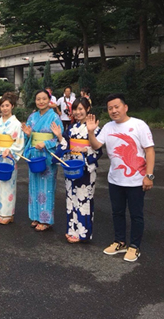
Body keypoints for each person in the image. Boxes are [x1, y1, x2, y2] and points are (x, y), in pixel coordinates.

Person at [86, 93, 155, 262]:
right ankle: (120, 242)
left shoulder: (139, 125)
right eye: (110, 108)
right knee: (117, 212)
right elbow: (96, 145)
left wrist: (149, 175)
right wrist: (90, 132)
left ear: (125, 107)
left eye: (117, 107)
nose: (114, 110)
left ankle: (134, 246)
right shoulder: (108, 127)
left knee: (136, 214)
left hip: (137, 180)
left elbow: (149, 150)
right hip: (115, 179)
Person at [52, 97, 102, 242]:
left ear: (87, 109)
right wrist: (60, 136)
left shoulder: (94, 128)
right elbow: (65, 145)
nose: (78, 112)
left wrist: (85, 150)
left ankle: (83, 233)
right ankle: (73, 230)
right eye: (75, 109)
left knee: (84, 199)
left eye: (81, 109)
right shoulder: (72, 128)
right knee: (71, 198)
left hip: (85, 168)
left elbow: (98, 149)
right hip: (71, 167)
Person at [22, 90, 63, 231]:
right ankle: (35, 215)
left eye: (44, 99)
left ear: (49, 100)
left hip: (46, 155)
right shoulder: (32, 117)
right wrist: (27, 135)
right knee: (34, 185)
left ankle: (46, 220)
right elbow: (28, 135)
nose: (41, 101)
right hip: (34, 154)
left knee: (46, 187)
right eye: (38, 99)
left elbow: (59, 137)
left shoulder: (54, 117)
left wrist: (46, 144)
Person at [0, 93, 25, 224]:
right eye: (2, 106)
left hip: (9, 156)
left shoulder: (16, 124)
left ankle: (8, 214)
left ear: (12, 106)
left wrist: (10, 150)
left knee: (9, 184)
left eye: (7, 105)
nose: (4, 108)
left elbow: (19, 142)